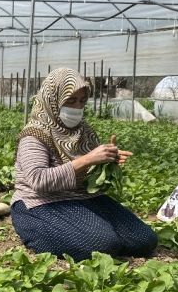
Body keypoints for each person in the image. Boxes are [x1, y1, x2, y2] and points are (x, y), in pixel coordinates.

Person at [11, 67, 157, 261]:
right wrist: (88, 159)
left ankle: (91, 231)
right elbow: (39, 181)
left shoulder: (84, 132)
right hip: (41, 202)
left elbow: (89, 174)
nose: (77, 108)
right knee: (101, 245)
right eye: (70, 101)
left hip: (82, 197)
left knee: (145, 241)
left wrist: (106, 164)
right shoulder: (34, 135)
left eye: (81, 101)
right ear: (53, 99)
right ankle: (35, 230)